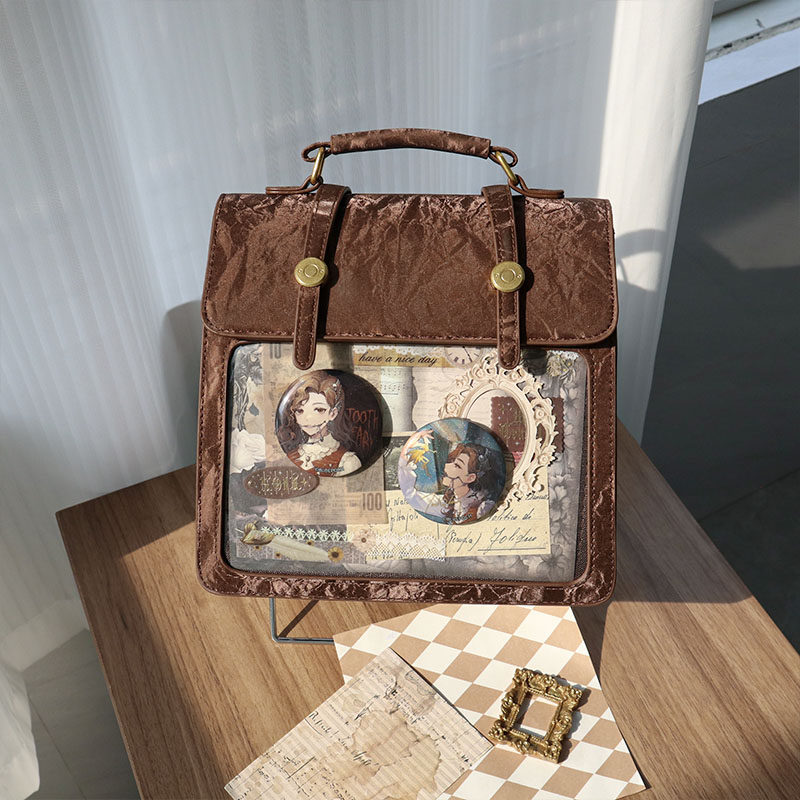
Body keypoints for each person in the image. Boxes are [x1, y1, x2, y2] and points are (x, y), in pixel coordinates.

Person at [276, 371, 361, 476]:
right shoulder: (291, 456)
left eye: (319, 410)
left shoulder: (347, 461)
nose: (308, 418)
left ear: (333, 413)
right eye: (300, 410)